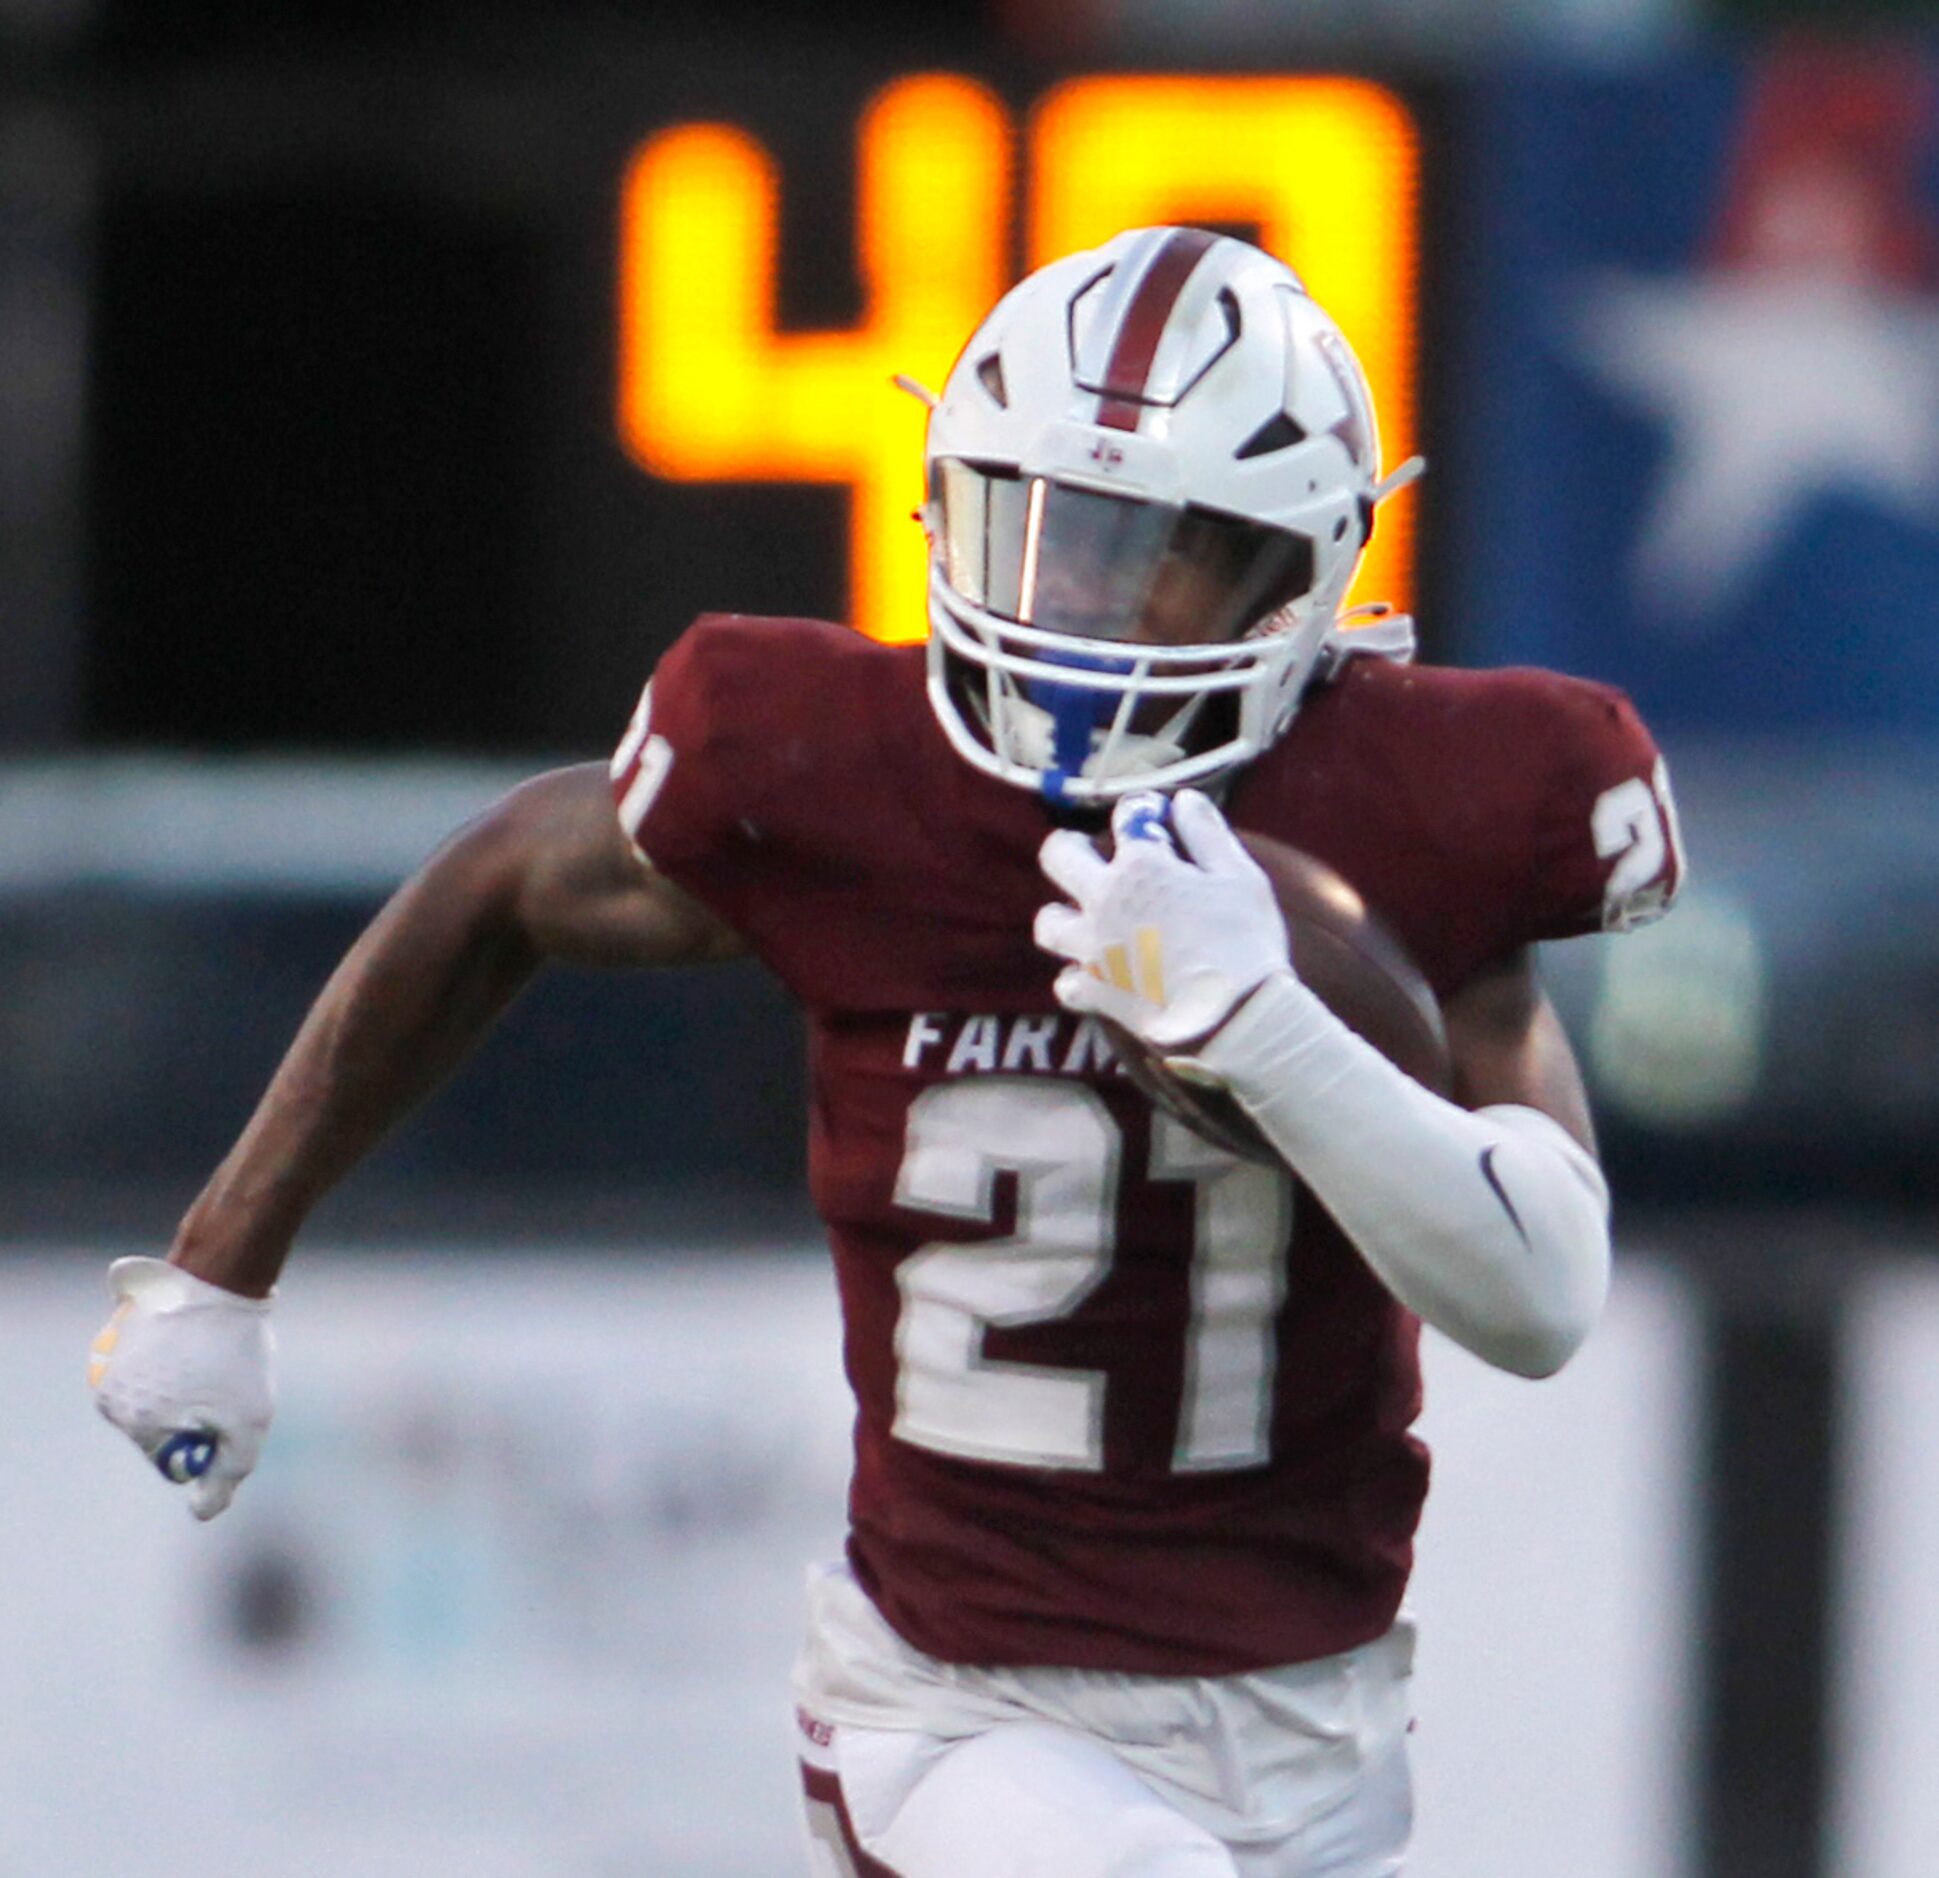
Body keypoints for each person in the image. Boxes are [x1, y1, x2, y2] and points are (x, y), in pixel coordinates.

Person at [88, 225, 1684, 1877]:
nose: (1079, 597)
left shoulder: (1433, 805)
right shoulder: (835, 762)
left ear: (1306, 574)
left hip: (1316, 1722)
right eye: (1039, 527)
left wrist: (1263, 1027)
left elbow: (1542, 1294)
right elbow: (506, 875)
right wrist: (219, 1265)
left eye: (1166, 555)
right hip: (955, 1708)